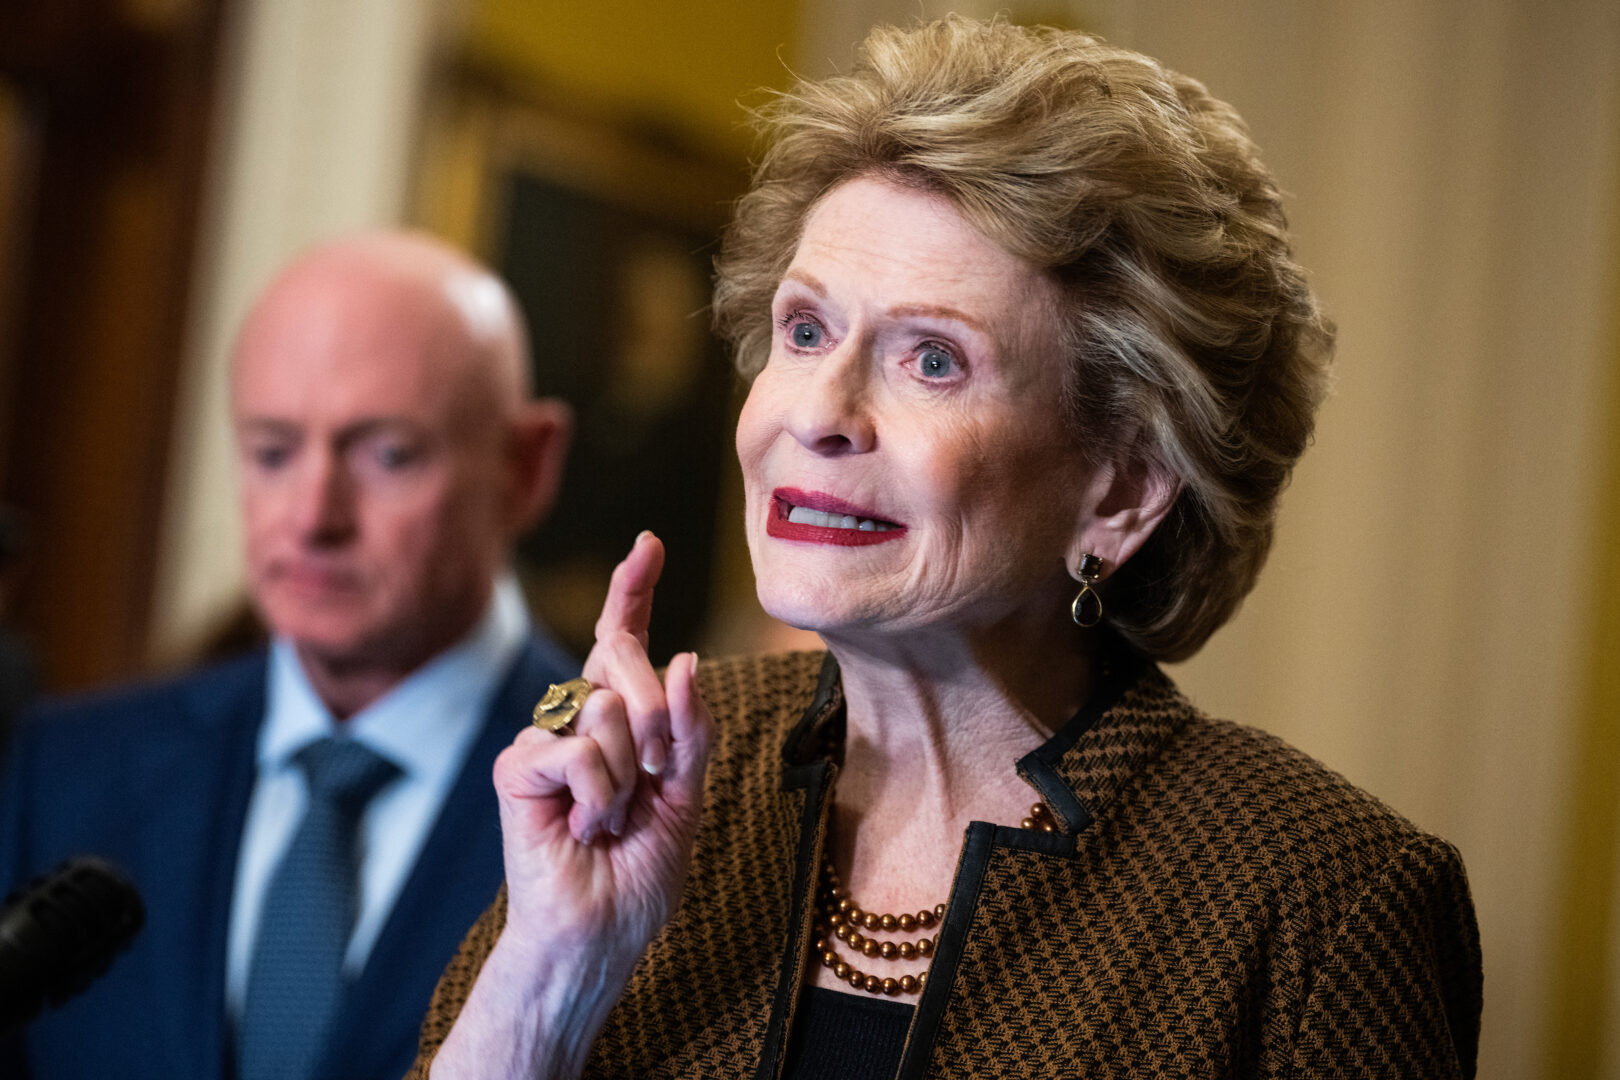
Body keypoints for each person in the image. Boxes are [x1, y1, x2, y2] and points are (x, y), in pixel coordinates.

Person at [410, 18, 1482, 1080]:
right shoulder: (651, 771)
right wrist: (554, 974)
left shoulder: (1319, 903)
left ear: (1123, 489)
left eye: (932, 359)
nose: (819, 413)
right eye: (806, 331)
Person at [0, 230, 578, 1080]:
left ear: (524, 467)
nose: (312, 516)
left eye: (388, 454)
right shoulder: (70, 768)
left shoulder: (635, 802)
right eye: (272, 451)